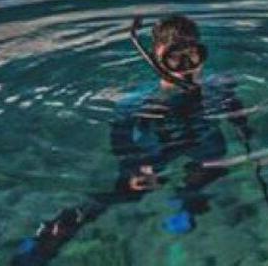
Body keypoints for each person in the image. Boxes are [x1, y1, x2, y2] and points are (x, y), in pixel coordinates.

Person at [13, 15, 250, 265]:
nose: (184, 66)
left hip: (203, 142)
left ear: (202, 54)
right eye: (173, 58)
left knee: (213, 166)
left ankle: (188, 200)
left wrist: (243, 127)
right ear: (154, 59)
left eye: (191, 56)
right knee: (125, 191)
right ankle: (50, 238)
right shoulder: (134, 103)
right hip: (155, 150)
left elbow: (236, 113)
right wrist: (134, 166)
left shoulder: (220, 85)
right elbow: (121, 138)